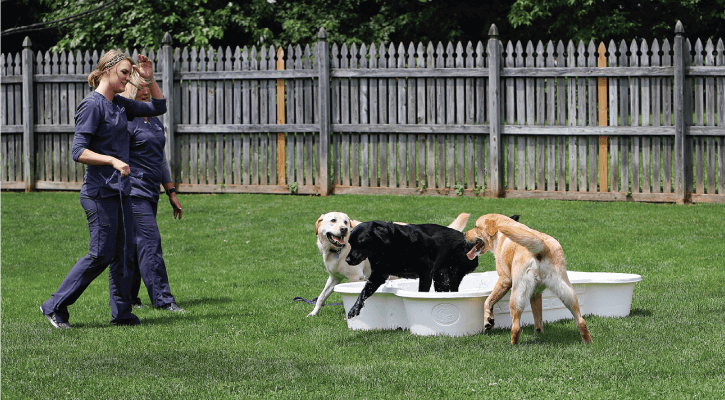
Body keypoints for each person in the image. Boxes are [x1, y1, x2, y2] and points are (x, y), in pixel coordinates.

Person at [40, 50, 167, 329]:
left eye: (130, 72)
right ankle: (54, 306)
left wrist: (150, 78)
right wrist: (111, 159)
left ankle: (122, 314)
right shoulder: (92, 105)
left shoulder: (120, 104)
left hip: (121, 192)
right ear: (106, 71)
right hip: (98, 193)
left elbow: (158, 108)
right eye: (124, 72)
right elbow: (78, 151)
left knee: (123, 253)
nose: (128, 77)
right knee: (101, 254)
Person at [116, 70, 184, 312]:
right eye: (139, 86)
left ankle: (130, 299)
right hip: (133, 191)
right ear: (129, 89)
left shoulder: (153, 119)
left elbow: (160, 159)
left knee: (136, 246)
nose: (145, 90)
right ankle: (163, 300)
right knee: (150, 242)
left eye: (147, 85)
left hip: (151, 191)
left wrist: (171, 191)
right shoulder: (126, 121)